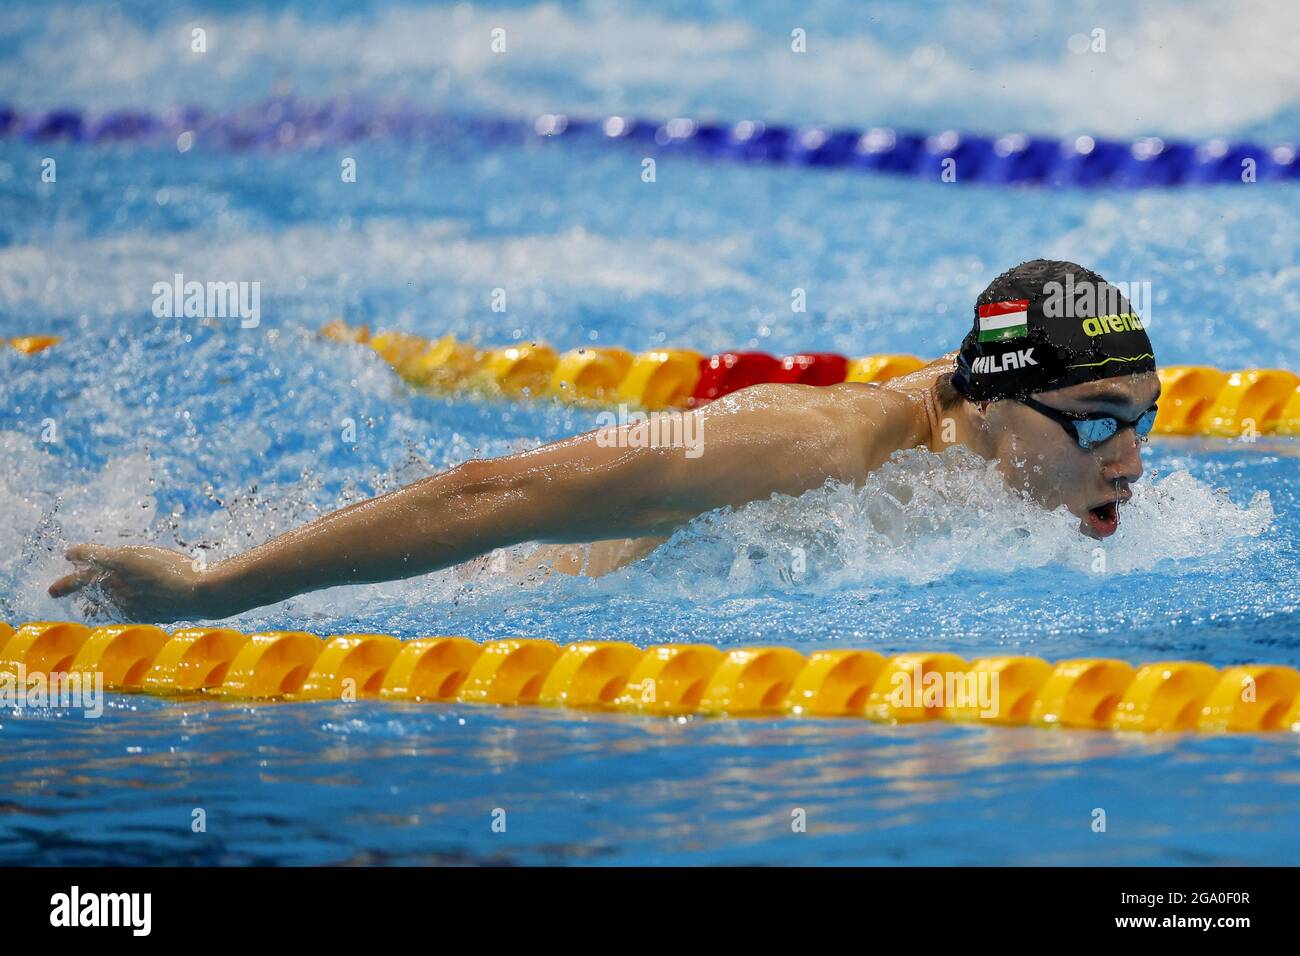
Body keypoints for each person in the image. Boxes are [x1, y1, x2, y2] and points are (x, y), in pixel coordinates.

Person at [49, 259, 1160, 623]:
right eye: (1103, 424)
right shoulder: (810, 446)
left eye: (1145, 419)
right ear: (998, 400)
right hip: (472, 595)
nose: (1132, 459)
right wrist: (205, 587)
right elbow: (498, 490)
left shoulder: (1008, 447)